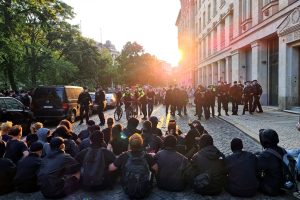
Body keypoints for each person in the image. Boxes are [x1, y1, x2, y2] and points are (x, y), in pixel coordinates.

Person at [109, 133, 158, 199]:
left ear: (130, 144)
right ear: (141, 144)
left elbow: (111, 168)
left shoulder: (124, 156)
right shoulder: (147, 156)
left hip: (128, 189)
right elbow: (156, 168)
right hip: (144, 188)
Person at [257, 129, 287, 196]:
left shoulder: (265, 156)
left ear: (264, 142)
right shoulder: (282, 150)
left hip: (272, 188)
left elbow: (255, 168)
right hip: (283, 184)